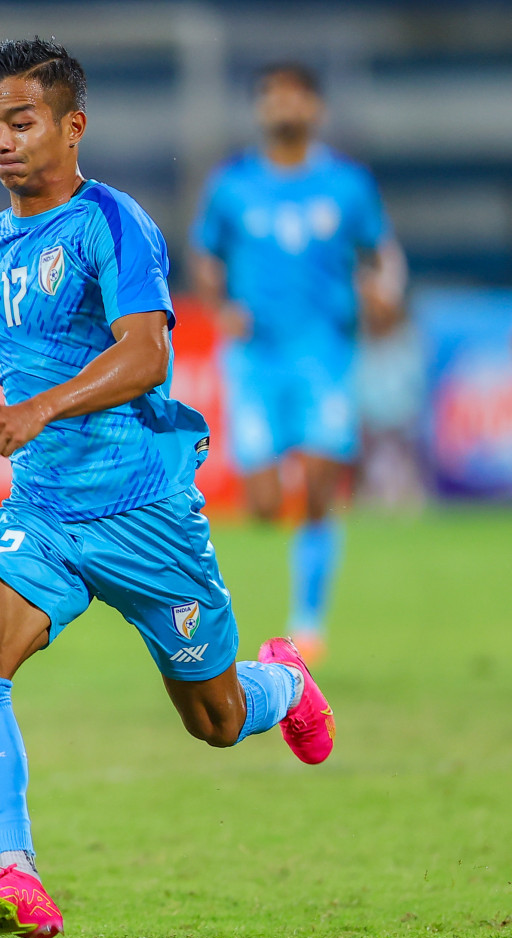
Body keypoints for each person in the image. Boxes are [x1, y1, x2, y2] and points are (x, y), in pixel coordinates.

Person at [0, 39, 335, 938]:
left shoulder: (112, 222)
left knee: (216, 720)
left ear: (73, 125)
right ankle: (17, 874)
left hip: (146, 510)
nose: (1, 140)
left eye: (20, 121)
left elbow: (147, 351)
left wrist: (41, 408)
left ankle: (286, 683)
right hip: (46, 514)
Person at [191, 63, 405, 660]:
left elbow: (383, 255)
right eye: (273, 96)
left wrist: (384, 296)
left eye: (295, 96)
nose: (283, 106)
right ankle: (283, 472)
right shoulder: (232, 185)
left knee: (317, 488)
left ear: (315, 109)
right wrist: (220, 305)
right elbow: (205, 258)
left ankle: (308, 624)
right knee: (261, 506)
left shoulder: (348, 185)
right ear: (261, 109)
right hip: (255, 360)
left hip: (325, 355)